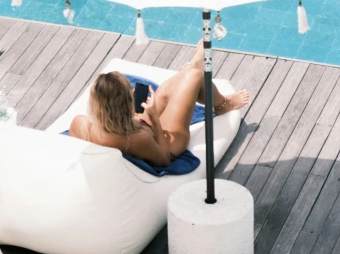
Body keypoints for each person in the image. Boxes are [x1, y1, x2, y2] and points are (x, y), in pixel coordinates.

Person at [69, 40, 249, 166]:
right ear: (124, 103)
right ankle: (223, 104)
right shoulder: (139, 139)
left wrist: (131, 116)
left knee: (162, 95)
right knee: (195, 77)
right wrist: (155, 118)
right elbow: (163, 160)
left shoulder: (80, 124)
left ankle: (194, 63)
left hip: (130, 123)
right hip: (166, 143)